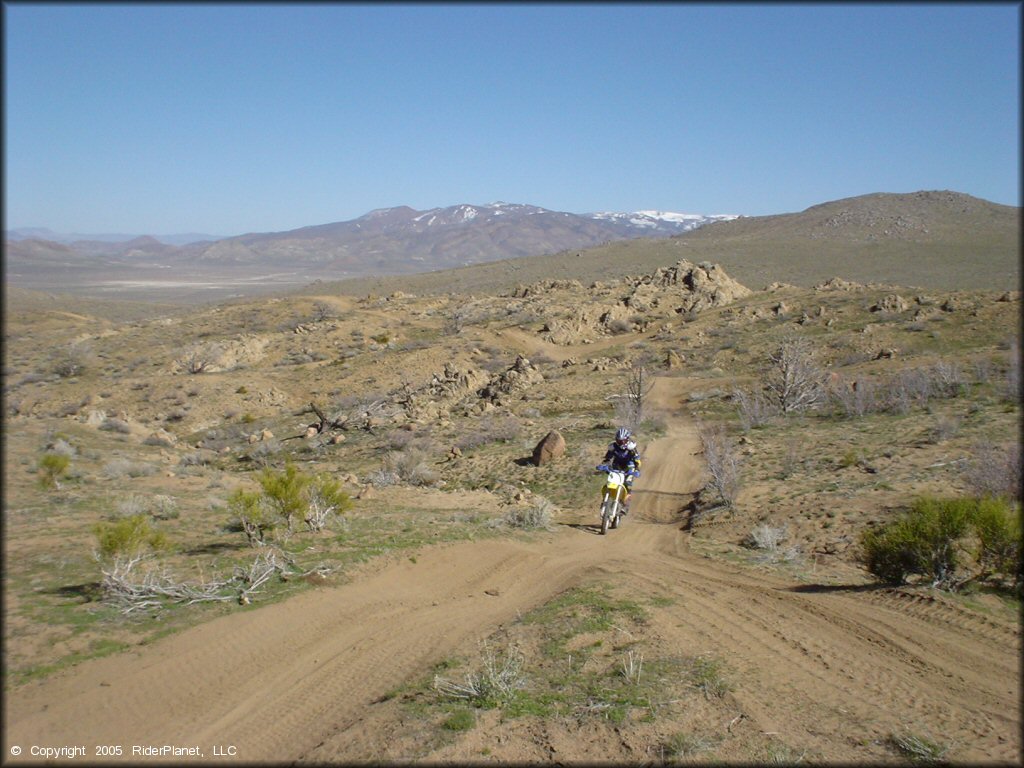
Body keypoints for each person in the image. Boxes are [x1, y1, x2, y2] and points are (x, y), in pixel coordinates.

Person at [600, 427, 641, 514]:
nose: (621, 443)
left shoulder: (631, 447)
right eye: (619, 441)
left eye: (622, 441)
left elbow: (637, 460)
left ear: (626, 440)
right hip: (617, 465)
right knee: (610, 482)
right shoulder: (613, 447)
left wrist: (636, 470)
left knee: (628, 484)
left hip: (629, 466)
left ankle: (625, 506)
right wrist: (604, 465)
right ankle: (605, 500)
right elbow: (608, 458)